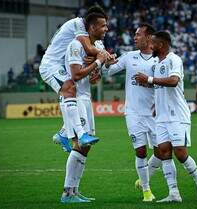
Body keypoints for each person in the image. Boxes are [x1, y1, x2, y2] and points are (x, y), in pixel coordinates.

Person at [135, 31, 197, 203]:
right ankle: (173, 193)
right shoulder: (156, 63)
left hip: (177, 115)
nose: (150, 46)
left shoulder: (174, 59)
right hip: (161, 116)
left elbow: (174, 81)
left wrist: (149, 79)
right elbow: (160, 87)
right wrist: (156, 104)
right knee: (164, 151)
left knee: (180, 153)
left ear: (160, 45)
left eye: (153, 44)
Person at [103, 23, 161, 202]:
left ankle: (144, 178)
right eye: (134, 35)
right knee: (141, 151)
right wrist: (107, 63)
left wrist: (150, 82)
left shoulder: (159, 60)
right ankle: (146, 191)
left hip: (154, 114)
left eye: (138, 35)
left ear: (149, 38)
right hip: (133, 113)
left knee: (162, 153)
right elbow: (108, 72)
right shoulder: (129, 56)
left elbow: (164, 85)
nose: (135, 38)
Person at [39, 5, 110, 147]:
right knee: (69, 88)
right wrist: (102, 56)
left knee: (71, 91)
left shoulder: (93, 39)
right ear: (91, 24)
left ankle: (64, 133)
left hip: (61, 65)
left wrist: (99, 61)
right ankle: (79, 134)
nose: (106, 28)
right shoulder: (77, 24)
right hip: (50, 65)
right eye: (102, 25)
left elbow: (92, 55)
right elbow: (89, 49)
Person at [60, 12, 109, 204]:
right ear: (91, 28)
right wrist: (98, 62)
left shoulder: (95, 47)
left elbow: (89, 77)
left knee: (85, 146)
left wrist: (96, 73)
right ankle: (67, 193)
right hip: (74, 99)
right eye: (103, 25)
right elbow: (76, 74)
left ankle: (74, 191)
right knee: (80, 144)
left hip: (85, 98)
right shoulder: (75, 45)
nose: (106, 29)